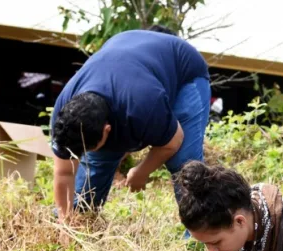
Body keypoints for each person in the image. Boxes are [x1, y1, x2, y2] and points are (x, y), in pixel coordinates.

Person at [50, 29, 210, 219]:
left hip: (183, 70)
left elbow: (174, 140)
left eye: (89, 147)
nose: (82, 153)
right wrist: (65, 220)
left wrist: (141, 172)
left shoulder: (143, 105)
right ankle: (81, 220)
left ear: (107, 129)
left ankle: (200, 234)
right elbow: (64, 173)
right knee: (97, 164)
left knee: (184, 162)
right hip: (126, 53)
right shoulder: (64, 116)